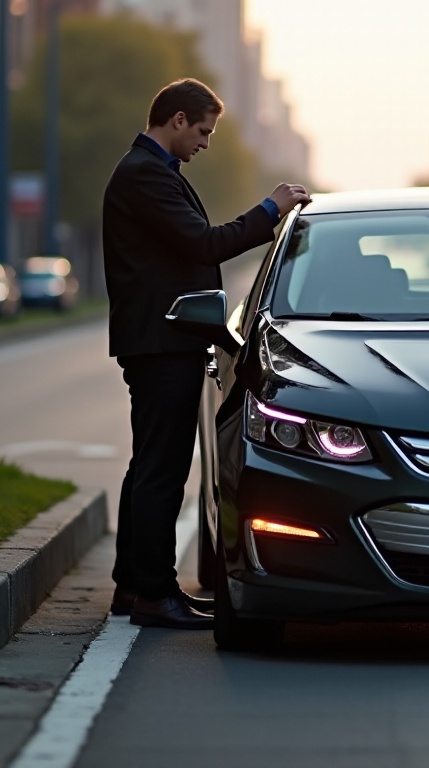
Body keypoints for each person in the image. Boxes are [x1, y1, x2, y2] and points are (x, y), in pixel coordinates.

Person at [103, 78, 311, 629]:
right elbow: (205, 244)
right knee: (162, 471)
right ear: (175, 120)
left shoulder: (151, 172)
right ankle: (153, 593)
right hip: (161, 343)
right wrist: (271, 208)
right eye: (202, 130)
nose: (206, 142)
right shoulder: (145, 175)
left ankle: (133, 586)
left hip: (161, 342)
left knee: (148, 467)